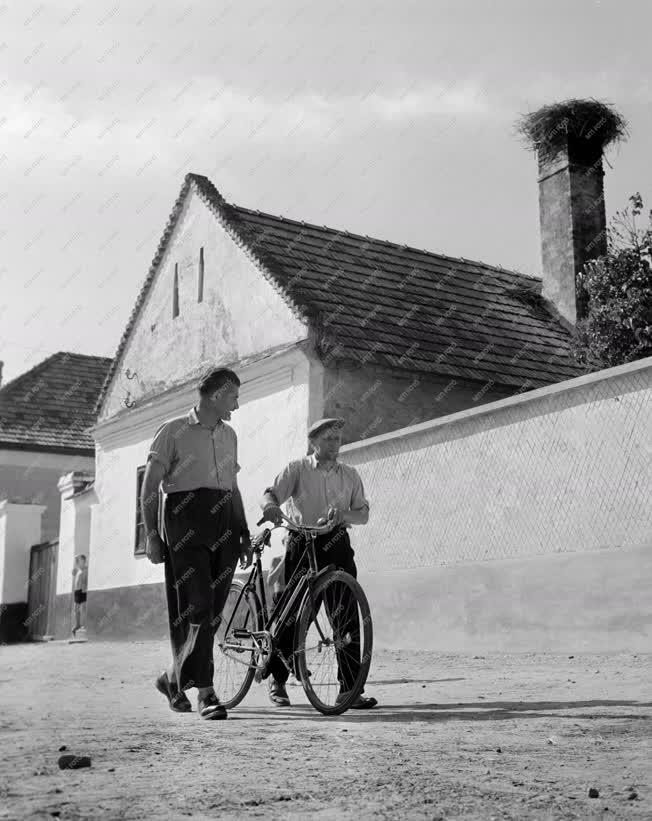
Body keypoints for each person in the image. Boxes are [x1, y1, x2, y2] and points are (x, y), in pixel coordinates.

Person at [141, 367, 252, 721]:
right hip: (185, 520)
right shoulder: (172, 431)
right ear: (217, 395)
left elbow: (232, 489)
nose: (237, 402)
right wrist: (151, 534)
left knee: (212, 613)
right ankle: (206, 692)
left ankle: (171, 679)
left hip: (224, 524)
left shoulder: (230, 434)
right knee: (198, 606)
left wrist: (244, 531)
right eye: (234, 395)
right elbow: (150, 488)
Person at [260, 417, 378, 710]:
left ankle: (349, 690)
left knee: (346, 616)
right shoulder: (297, 469)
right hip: (302, 544)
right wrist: (271, 507)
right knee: (293, 613)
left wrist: (343, 516)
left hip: (336, 544)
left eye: (337, 438)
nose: (334, 444)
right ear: (313, 441)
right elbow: (270, 494)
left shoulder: (350, 475)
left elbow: (362, 514)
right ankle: (277, 679)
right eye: (328, 439)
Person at [71, 554, 88, 638]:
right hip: (77, 591)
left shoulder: (86, 569)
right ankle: (77, 624)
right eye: (77, 560)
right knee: (75, 609)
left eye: (79, 559)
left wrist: (85, 590)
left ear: (84, 561)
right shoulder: (77, 570)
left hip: (83, 590)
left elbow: (86, 581)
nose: (77, 561)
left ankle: (83, 625)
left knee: (83, 608)